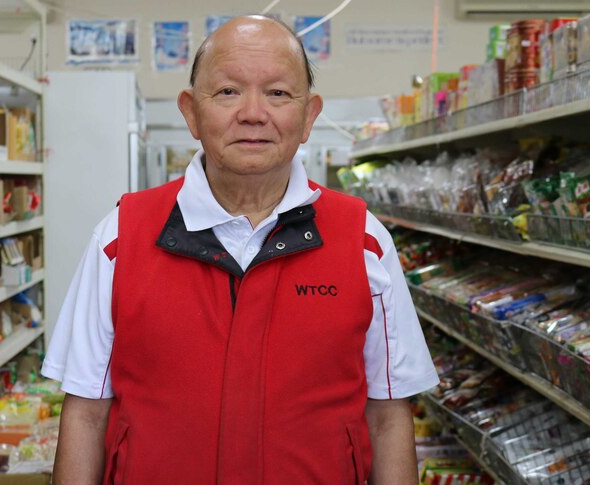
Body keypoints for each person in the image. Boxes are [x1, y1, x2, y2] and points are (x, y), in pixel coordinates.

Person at [42, 15, 439, 485]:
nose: (253, 113)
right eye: (228, 91)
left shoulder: (363, 241)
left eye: (277, 93)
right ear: (191, 112)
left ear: (310, 115)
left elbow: (388, 415)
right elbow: (87, 413)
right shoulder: (120, 238)